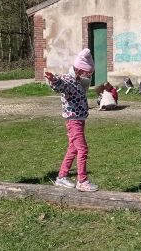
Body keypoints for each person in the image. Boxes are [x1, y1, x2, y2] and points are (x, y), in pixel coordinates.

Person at [46, 49, 98, 192]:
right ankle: (82, 180)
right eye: (89, 72)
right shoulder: (68, 80)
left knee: (73, 149)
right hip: (73, 120)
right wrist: (53, 80)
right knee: (82, 148)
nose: (90, 75)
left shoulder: (79, 81)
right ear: (80, 69)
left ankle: (62, 177)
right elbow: (60, 84)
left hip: (79, 120)